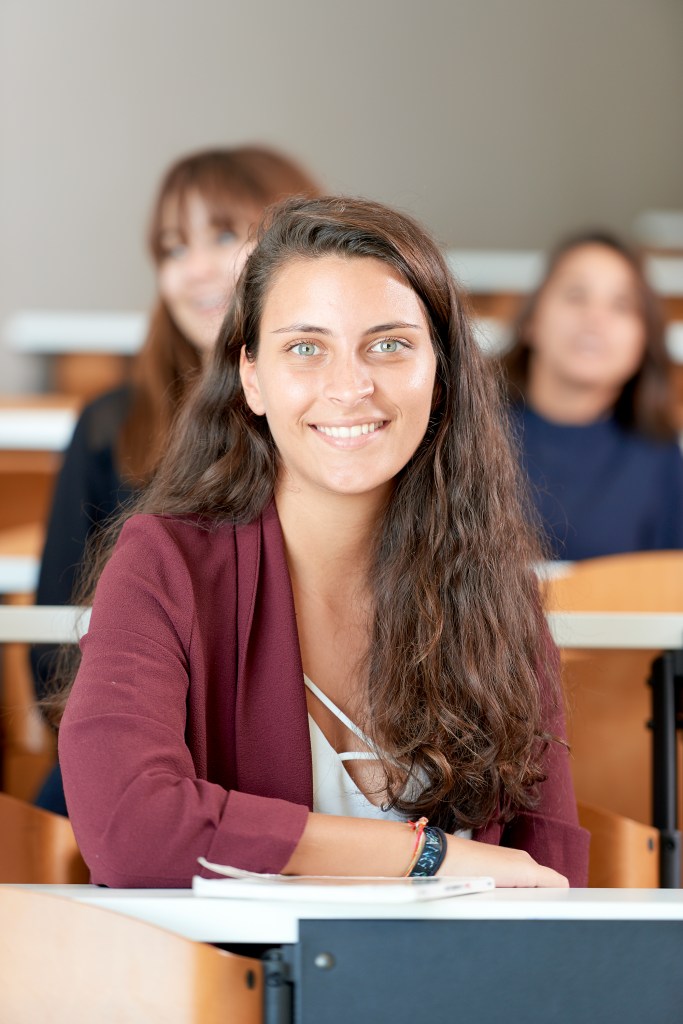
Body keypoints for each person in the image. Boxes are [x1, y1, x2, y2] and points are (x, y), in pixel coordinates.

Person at [55, 196, 589, 888]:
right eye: (305, 348)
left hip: (457, 987)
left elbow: (548, 870)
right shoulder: (163, 563)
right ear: (251, 377)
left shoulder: (495, 592)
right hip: (235, 988)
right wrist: (428, 854)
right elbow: (131, 831)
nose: (350, 385)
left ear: (442, 371)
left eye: (389, 344)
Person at [33, 146, 320, 814]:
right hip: (147, 754)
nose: (195, 271)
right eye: (171, 249)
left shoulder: (342, 420)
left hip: (315, 754)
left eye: (223, 236)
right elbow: (54, 648)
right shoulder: (111, 425)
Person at [501, 230, 683, 561]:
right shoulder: (463, 430)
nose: (595, 319)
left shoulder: (661, 456)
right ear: (532, 322)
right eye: (576, 295)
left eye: (621, 305)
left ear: (644, 342)